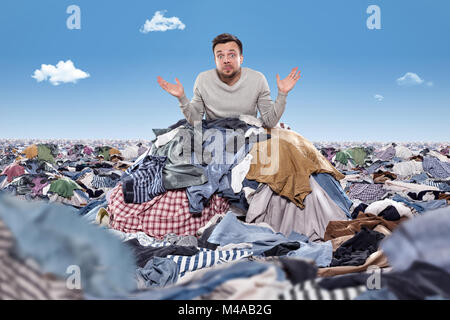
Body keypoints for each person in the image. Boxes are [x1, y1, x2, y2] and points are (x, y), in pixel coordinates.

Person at [157, 33, 300, 128]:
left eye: (232, 55)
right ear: (215, 60)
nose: (226, 60)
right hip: (213, 133)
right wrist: (182, 98)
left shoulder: (257, 79)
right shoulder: (203, 80)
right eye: (220, 56)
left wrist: (282, 94)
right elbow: (196, 122)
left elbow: (270, 121)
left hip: (247, 133)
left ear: (241, 58)